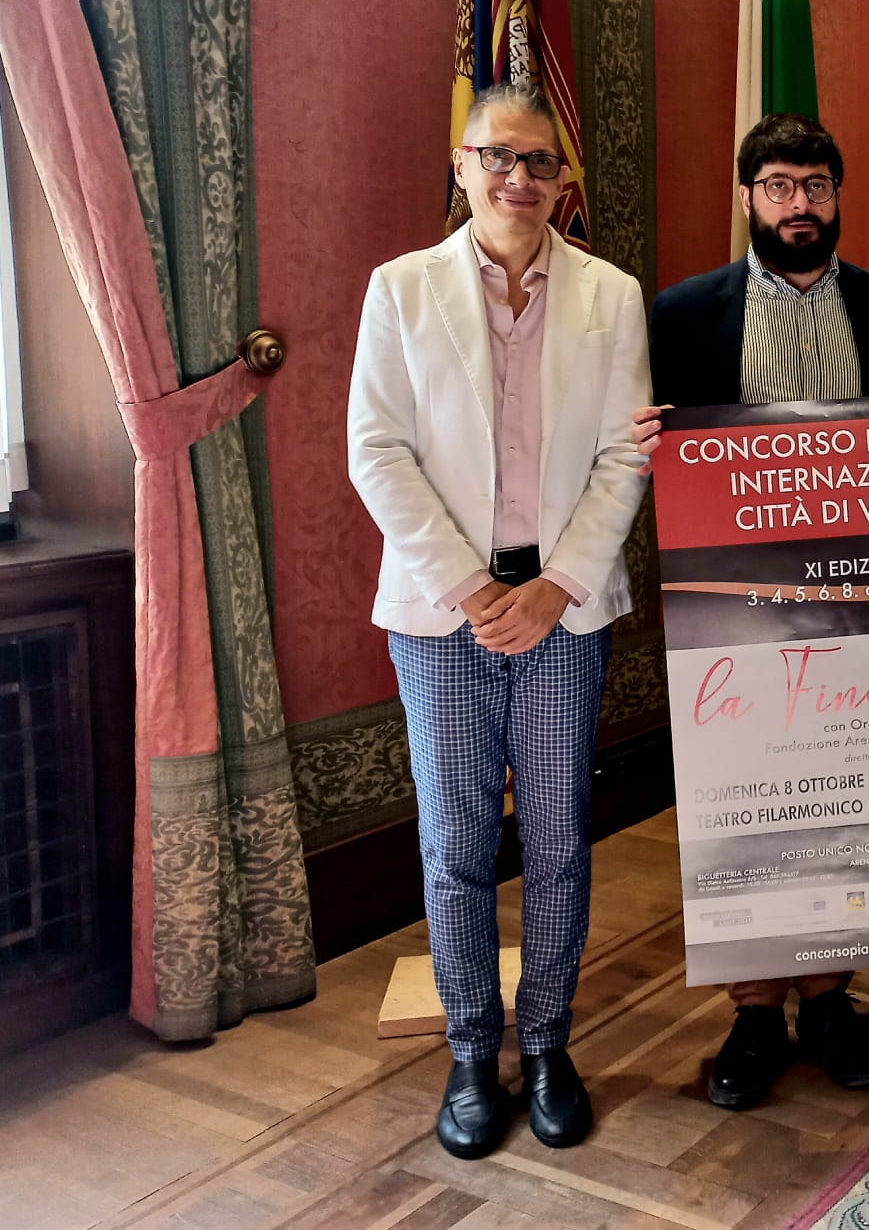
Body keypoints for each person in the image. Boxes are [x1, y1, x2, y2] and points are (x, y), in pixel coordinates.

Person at [347, 82, 649, 1158]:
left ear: (564, 180)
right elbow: (376, 451)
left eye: (539, 161)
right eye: (498, 157)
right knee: (455, 842)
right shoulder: (400, 289)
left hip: (564, 610)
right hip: (445, 618)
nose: (519, 177)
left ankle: (551, 1042)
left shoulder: (611, 294)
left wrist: (556, 584)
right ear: (462, 168)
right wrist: (472, 589)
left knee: (560, 838)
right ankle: (474, 1052)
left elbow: (625, 455)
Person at [635, 112, 869, 1111]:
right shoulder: (682, 315)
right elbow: (655, 453)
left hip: (859, 600)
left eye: (816, 186)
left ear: (838, 195)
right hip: (735, 608)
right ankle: (755, 1008)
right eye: (780, 186)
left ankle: (831, 995)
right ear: (749, 196)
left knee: (844, 802)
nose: (800, 204)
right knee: (747, 805)